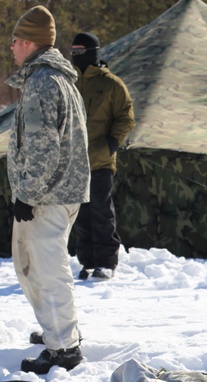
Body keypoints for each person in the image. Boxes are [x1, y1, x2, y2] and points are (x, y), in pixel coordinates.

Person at [7, 6, 90, 374]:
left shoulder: (43, 81)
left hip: (46, 195)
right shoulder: (59, 78)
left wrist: (28, 193)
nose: (10, 47)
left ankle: (63, 349)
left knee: (43, 269)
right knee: (34, 266)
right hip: (60, 192)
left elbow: (44, 145)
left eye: (14, 41)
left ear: (28, 42)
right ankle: (57, 329)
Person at [70, 32, 135, 281]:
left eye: (80, 51)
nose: (75, 56)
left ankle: (106, 262)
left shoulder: (111, 84)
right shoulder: (70, 81)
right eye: (72, 51)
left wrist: (110, 144)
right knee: (81, 214)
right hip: (74, 161)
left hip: (100, 160)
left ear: (93, 52)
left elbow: (126, 117)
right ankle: (87, 262)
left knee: (101, 212)